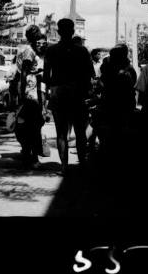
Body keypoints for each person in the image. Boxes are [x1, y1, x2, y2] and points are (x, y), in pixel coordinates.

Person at [43, 18, 94, 173]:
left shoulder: (51, 51)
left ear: (58, 32)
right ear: (73, 32)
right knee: (80, 132)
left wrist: (58, 84)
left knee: (61, 133)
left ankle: (64, 166)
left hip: (59, 95)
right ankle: (82, 164)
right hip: (78, 94)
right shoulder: (82, 51)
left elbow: (46, 77)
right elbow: (89, 74)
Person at [13, 24, 45, 167]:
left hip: (30, 89)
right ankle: (33, 157)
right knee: (33, 125)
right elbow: (24, 73)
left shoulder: (28, 50)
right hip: (29, 91)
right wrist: (22, 93)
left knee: (29, 124)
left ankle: (28, 153)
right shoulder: (29, 52)